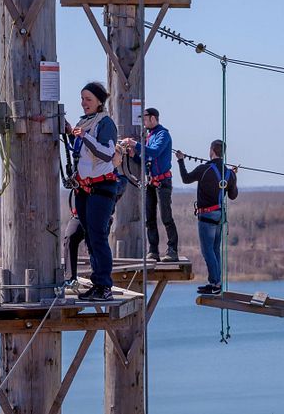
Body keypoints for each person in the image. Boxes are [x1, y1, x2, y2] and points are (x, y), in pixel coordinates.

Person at [70, 82, 118, 301]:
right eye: (82, 99)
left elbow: (107, 154)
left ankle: (104, 285)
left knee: (98, 236)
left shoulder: (105, 123)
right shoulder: (84, 123)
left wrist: (84, 137)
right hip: (84, 188)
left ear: (99, 101)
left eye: (88, 99)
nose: (83, 103)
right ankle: (97, 282)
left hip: (101, 187)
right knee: (90, 236)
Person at [176, 140, 238, 295]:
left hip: (207, 215)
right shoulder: (229, 173)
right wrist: (233, 179)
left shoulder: (204, 169)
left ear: (212, 151)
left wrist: (180, 160)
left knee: (207, 251)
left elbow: (186, 178)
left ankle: (215, 283)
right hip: (219, 216)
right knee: (215, 250)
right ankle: (216, 282)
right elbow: (233, 195)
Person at [120, 108, 179, 262]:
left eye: (145, 119)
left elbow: (154, 152)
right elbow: (146, 161)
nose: (143, 122)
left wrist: (134, 144)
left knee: (166, 216)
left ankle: (172, 250)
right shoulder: (149, 136)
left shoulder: (163, 135)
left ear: (153, 118)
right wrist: (133, 156)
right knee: (150, 218)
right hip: (150, 181)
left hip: (162, 181)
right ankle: (153, 251)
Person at [62, 175, 127, 287]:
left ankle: (100, 282)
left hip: (99, 216)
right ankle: (69, 278)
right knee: (70, 237)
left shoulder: (114, 177)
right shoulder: (81, 167)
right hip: (79, 215)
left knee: (96, 243)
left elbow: (121, 183)